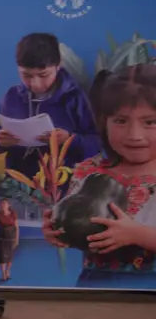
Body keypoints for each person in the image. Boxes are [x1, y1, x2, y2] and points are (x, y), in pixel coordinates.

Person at [43, 64, 156, 287]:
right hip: (95, 286)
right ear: (104, 122)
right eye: (121, 121)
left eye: (150, 122)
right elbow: (79, 227)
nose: (135, 135)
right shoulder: (89, 171)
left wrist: (137, 235)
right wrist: (57, 230)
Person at [0, 32, 99, 180]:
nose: (35, 84)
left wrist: (69, 140)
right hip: (18, 186)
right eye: (26, 75)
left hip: (62, 186)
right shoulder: (11, 96)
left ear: (57, 66)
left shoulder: (74, 98)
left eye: (43, 75)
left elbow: (97, 143)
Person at [0, 198, 19, 282]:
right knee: (1, 256)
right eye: (1, 204)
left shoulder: (13, 214)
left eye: (4, 204)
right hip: (0, 237)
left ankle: (8, 270)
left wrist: (17, 239)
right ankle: (3, 273)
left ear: (8, 205)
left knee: (9, 256)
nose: (3, 205)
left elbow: (17, 227)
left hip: (11, 237)